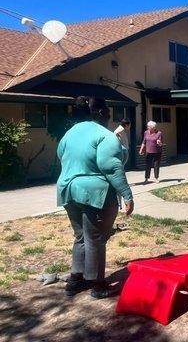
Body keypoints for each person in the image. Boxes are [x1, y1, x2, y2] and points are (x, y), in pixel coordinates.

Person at [57, 97, 134, 299]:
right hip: (94, 192)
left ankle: (76, 280)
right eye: (107, 110)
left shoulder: (69, 134)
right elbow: (111, 166)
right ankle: (98, 285)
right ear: (99, 113)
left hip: (68, 190)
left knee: (81, 236)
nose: (109, 114)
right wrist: (127, 194)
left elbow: (61, 156)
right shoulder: (104, 135)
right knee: (96, 239)